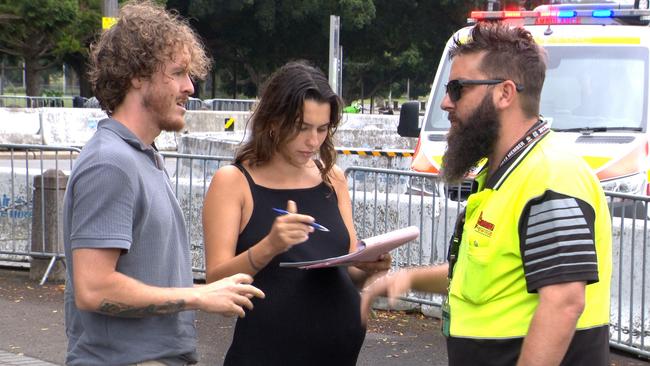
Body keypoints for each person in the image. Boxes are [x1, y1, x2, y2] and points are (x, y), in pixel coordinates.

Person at [361, 22, 612, 366]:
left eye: (458, 88)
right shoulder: (503, 175)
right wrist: (408, 278)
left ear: (505, 93)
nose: (447, 103)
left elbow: (564, 301)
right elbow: (489, 277)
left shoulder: (550, 175)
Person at [62, 2, 264, 365]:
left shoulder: (140, 157)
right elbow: (93, 289)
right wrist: (197, 296)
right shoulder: (112, 163)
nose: (190, 87)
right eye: (178, 73)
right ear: (137, 75)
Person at [202, 61, 391, 366]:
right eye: (302, 127)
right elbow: (216, 282)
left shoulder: (332, 178)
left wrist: (367, 265)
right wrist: (270, 246)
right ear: (273, 121)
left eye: (322, 128)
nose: (313, 141)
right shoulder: (234, 182)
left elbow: (345, 273)